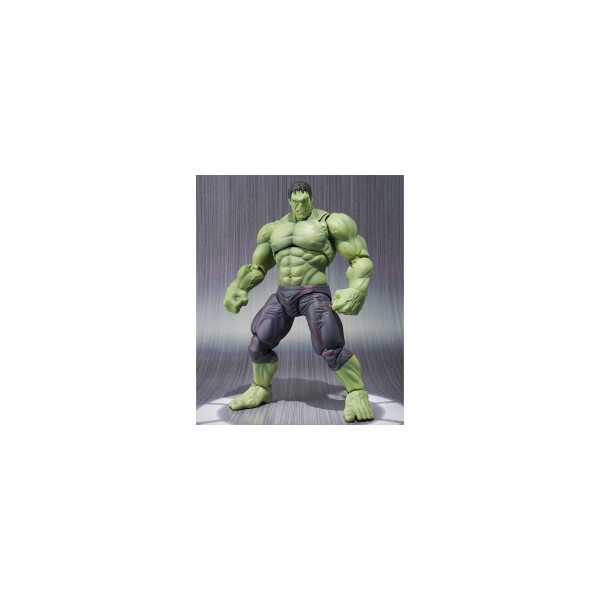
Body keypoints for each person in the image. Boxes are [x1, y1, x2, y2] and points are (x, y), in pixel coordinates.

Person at [222, 181, 374, 422]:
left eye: (304, 201)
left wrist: (357, 290)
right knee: (259, 341)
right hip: (283, 294)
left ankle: (356, 393)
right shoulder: (273, 229)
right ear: (289, 201)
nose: (300, 206)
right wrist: (238, 287)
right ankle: (261, 388)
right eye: (295, 202)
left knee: (330, 345)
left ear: (311, 199)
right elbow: (257, 267)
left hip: (313, 292)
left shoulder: (331, 223)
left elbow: (359, 258)